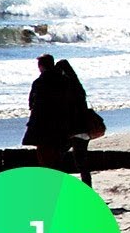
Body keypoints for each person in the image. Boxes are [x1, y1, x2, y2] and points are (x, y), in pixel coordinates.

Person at [22, 54, 72, 164]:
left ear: (41, 66)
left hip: (43, 123)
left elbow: (33, 103)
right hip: (62, 121)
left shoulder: (39, 82)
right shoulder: (65, 79)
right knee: (57, 154)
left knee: (43, 154)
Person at [56, 59, 94, 187]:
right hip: (84, 129)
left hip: (73, 130)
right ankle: (88, 188)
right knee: (82, 164)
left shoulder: (66, 88)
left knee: (57, 160)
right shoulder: (78, 86)